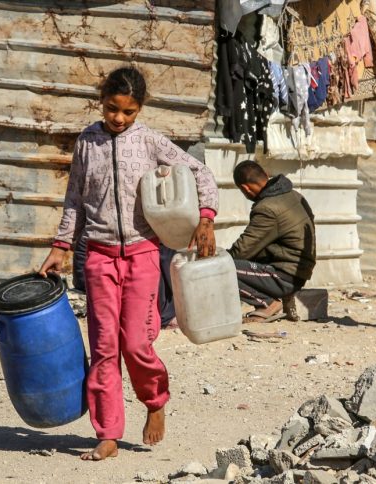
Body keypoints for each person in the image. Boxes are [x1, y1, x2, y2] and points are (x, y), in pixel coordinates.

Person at [39, 67, 219, 461]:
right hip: (99, 256)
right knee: (104, 348)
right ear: (101, 102)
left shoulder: (151, 141)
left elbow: (201, 172)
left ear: (140, 109)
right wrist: (61, 246)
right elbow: (74, 199)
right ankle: (107, 434)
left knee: (137, 343)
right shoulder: (87, 142)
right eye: (112, 109)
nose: (119, 119)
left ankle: (155, 400)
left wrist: (206, 217)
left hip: (142, 254)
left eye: (129, 112)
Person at [227, 160, 316, 324]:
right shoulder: (293, 195)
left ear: (245, 188)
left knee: (222, 269)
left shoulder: (267, 208)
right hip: (298, 271)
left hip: (284, 276)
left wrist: (217, 258)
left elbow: (243, 250)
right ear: (266, 176)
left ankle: (267, 303)